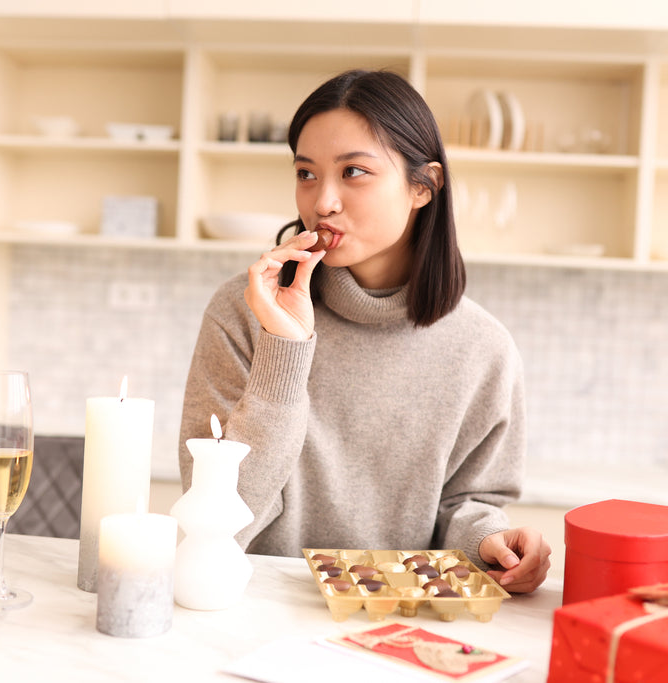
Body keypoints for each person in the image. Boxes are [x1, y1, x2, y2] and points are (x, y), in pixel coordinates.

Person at [179, 69, 550, 593]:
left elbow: (468, 503)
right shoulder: (243, 312)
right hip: (253, 606)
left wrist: (490, 541)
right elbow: (216, 517)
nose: (322, 201)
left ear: (424, 187)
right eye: (306, 174)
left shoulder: (483, 348)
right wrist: (284, 352)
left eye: (353, 171)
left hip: (399, 618)